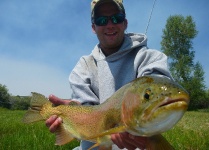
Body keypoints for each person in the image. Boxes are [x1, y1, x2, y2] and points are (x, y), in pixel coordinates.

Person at [46, 0, 173, 149]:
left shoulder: (150, 58)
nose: (110, 25)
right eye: (101, 20)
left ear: (125, 23)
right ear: (94, 27)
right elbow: (88, 111)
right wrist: (75, 113)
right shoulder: (83, 67)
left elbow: (158, 84)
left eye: (116, 18)